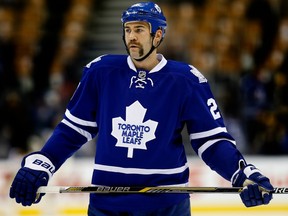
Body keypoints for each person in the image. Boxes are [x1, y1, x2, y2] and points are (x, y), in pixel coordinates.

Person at [10, 2, 274, 215]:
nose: (132, 37)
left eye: (139, 29)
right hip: (107, 203)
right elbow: (72, 130)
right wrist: (42, 163)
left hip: (167, 206)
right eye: (128, 30)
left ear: (157, 35)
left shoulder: (186, 80)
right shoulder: (100, 72)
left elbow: (212, 142)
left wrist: (242, 173)